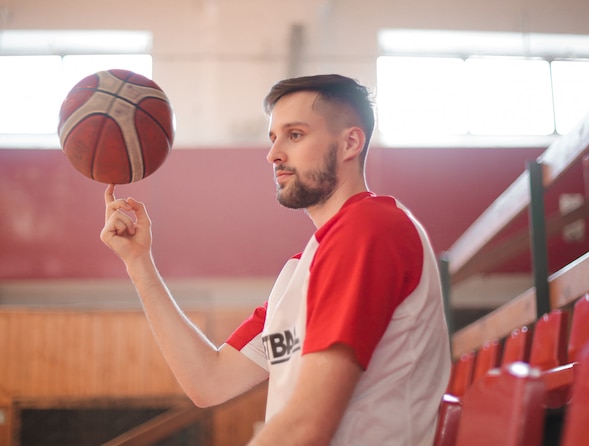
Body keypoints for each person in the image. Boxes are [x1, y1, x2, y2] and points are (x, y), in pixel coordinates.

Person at [101, 74, 451, 445]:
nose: (273, 154)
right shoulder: (301, 269)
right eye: (273, 138)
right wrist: (139, 263)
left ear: (350, 142)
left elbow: (308, 423)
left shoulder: (370, 228)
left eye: (295, 135)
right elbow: (210, 381)